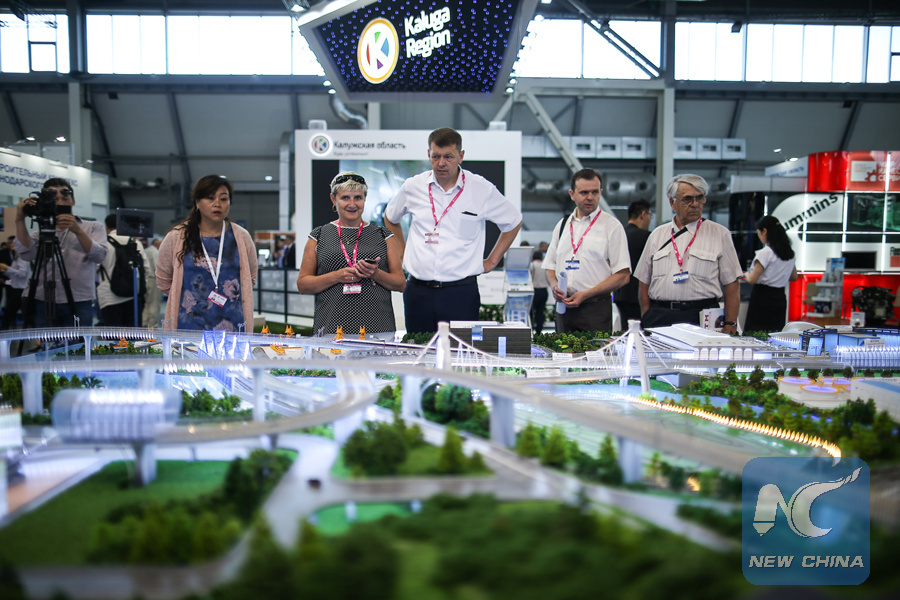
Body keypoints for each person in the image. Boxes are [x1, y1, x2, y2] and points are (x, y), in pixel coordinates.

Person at [383, 127, 523, 333]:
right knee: (418, 350)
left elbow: (513, 221)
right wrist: (402, 252)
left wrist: (492, 261)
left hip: (461, 293)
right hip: (418, 291)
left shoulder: (481, 189)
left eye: (448, 157)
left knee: (460, 351)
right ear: (428, 155)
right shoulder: (413, 186)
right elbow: (390, 217)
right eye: (436, 156)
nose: (441, 163)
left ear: (461, 156)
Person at [296, 172, 406, 335]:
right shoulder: (319, 235)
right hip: (331, 327)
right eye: (345, 198)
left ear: (365, 199)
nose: (352, 204)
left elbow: (400, 283)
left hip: (378, 328)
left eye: (358, 198)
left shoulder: (383, 235)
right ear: (334, 199)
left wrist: (376, 274)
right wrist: (337, 276)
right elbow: (303, 285)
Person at [634, 174, 743, 334]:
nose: (695, 204)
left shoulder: (720, 234)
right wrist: (647, 316)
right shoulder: (657, 235)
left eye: (700, 198)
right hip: (661, 316)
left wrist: (730, 323)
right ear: (672, 202)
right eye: (688, 199)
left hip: (702, 317)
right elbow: (644, 281)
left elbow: (732, 284)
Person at [156, 174, 258, 331]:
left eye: (223, 199)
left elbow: (250, 278)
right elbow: (163, 281)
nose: (217, 204)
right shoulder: (177, 236)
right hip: (189, 324)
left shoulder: (241, 236)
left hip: (232, 323)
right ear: (197, 203)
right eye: (210, 198)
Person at [543, 169, 630, 333]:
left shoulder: (612, 226)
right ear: (572, 194)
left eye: (594, 192)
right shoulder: (562, 225)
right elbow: (549, 267)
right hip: (563, 309)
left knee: (595, 350)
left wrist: (586, 294)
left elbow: (623, 275)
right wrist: (555, 286)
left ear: (600, 193)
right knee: (561, 350)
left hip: (595, 310)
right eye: (584, 192)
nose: (590, 197)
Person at [14, 177, 108, 328]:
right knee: (45, 343)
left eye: (65, 198)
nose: (60, 203)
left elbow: (100, 256)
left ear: (73, 200)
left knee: (79, 342)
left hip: (79, 299)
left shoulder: (93, 227)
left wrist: (77, 231)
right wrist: (19, 219)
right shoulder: (40, 233)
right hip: (42, 298)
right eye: (54, 199)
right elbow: (26, 254)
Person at [743, 215, 798, 332]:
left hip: (762, 297)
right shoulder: (789, 253)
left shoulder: (766, 253)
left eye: (759, 233)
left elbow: (752, 279)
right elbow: (794, 277)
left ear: (764, 231)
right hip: (780, 298)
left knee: (756, 333)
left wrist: (746, 274)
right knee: (775, 334)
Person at [98, 214, 149, 327]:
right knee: (133, 335)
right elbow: (146, 268)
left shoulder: (103, 243)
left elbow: (95, 267)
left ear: (106, 227)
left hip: (109, 297)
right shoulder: (135, 242)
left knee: (113, 335)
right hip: (133, 295)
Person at [615, 200, 652, 324]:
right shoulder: (646, 237)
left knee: (625, 330)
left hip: (620, 293)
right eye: (650, 215)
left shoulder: (620, 234)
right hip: (638, 296)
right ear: (643, 214)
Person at [0, 245, 31, 330]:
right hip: (17, 288)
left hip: (21, 290)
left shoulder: (21, 258)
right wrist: (5, 272)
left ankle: (4, 330)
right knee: (11, 313)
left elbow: (22, 273)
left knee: (9, 313)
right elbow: (14, 275)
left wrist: (7, 268)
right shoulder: (16, 259)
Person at [142, 237, 161, 328]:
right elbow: (157, 267)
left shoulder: (146, 251)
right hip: (154, 279)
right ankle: (152, 324)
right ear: (157, 244)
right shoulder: (155, 252)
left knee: (146, 303)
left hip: (146, 279)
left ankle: (144, 322)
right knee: (154, 303)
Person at [530, 249, 549, 335]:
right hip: (544, 291)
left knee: (531, 312)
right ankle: (539, 331)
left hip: (535, 290)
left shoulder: (532, 265)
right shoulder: (545, 265)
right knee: (540, 312)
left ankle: (531, 329)